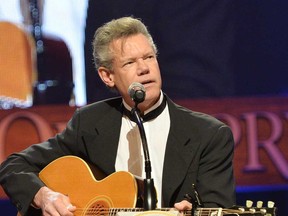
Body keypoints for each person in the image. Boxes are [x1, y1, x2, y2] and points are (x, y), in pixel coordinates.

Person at [0, 16, 236, 216]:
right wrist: (44, 196)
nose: (144, 68)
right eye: (130, 62)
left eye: (149, 57)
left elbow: (217, 208)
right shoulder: (90, 123)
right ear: (107, 77)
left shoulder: (209, 135)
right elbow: (13, 166)